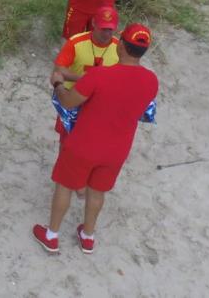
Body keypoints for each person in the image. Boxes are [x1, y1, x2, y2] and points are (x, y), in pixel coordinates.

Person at [33, 23, 158, 255]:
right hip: (117, 150)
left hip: (84, 144)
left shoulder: (99, 76)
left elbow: (69, 101)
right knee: (97, 191)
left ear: (120, 45)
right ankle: (88, 236)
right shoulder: (152, 81)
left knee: (65, 186)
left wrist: (58, 82)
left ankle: (51, 235)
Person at [50, 6, 119, 143]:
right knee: (66, 140)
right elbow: (58, 70)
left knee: (93, 140)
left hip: (100, 102)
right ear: (93, 23)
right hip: (73, 97)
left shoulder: (119, 47)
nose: (106, 33)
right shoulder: (76, 42)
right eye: (103, 28)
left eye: (110, 29)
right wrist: (84, 79)